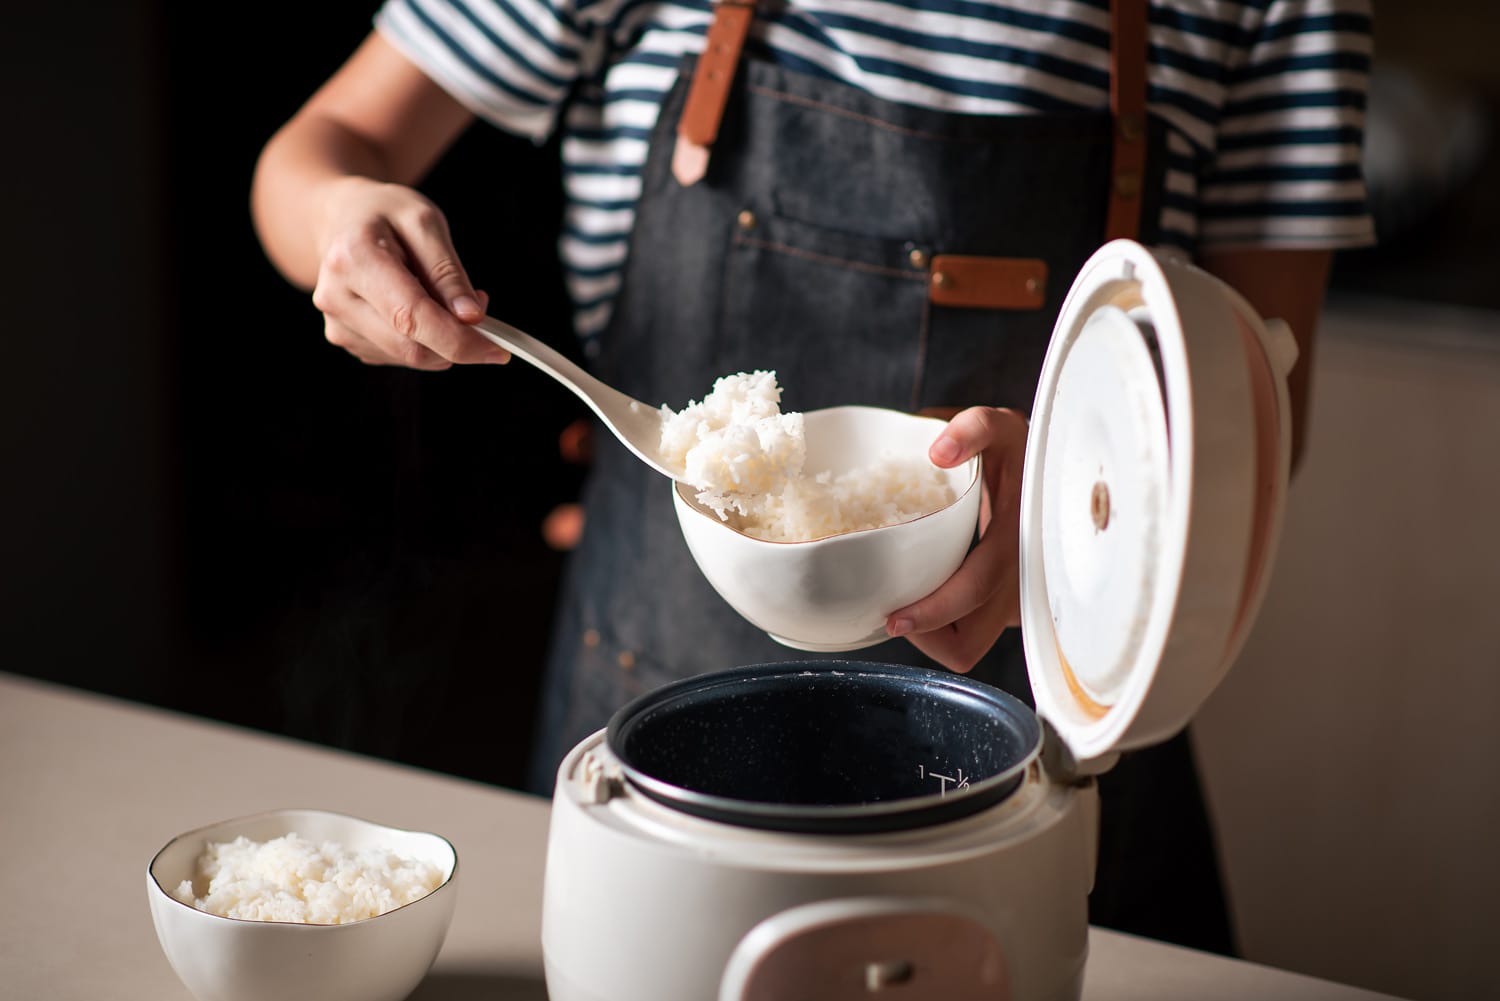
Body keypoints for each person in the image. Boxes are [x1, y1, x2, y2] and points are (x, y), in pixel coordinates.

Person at [251, 0, 1375, 955]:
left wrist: (1092, 488)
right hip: (654, 734)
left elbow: (1263, 408)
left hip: (1045, 743)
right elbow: (322, 147)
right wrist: (340, 221)